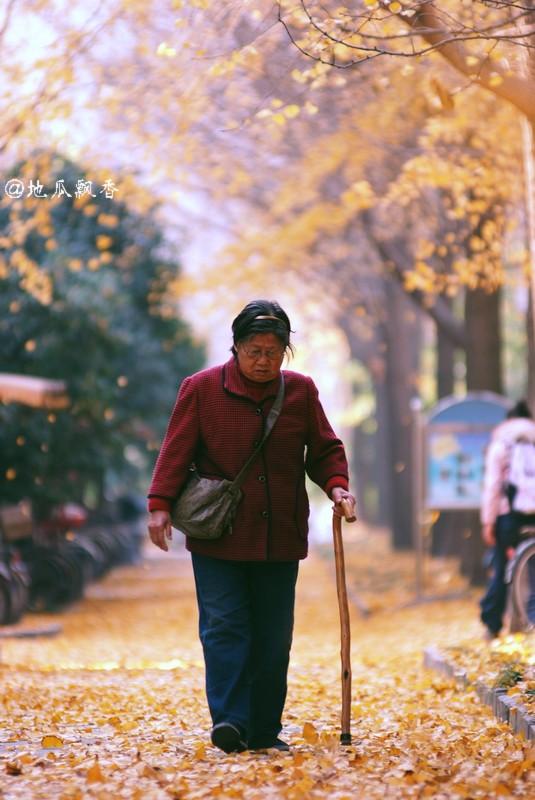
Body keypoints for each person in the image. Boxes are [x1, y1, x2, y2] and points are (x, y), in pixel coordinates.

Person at [147, 300, 355, 754]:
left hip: (279, 535)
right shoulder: (200, 389)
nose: (264, 361)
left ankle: (263, 729)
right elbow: (176, 450)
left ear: (285, 351)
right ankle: (230, 721)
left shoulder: (300, 393)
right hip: (217, 535)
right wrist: (160, 505)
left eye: (273, 351)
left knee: (272, 636)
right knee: (224, 628)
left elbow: (323, 450)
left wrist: (337, 487)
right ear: (236, 347)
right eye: (254, 350)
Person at [479, 399, 535, 639]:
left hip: (508, 516)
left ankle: (492, 624)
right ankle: (532, 619)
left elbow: (493, 486)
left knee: (502, 565)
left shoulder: (501, 444)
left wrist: (488, 522)